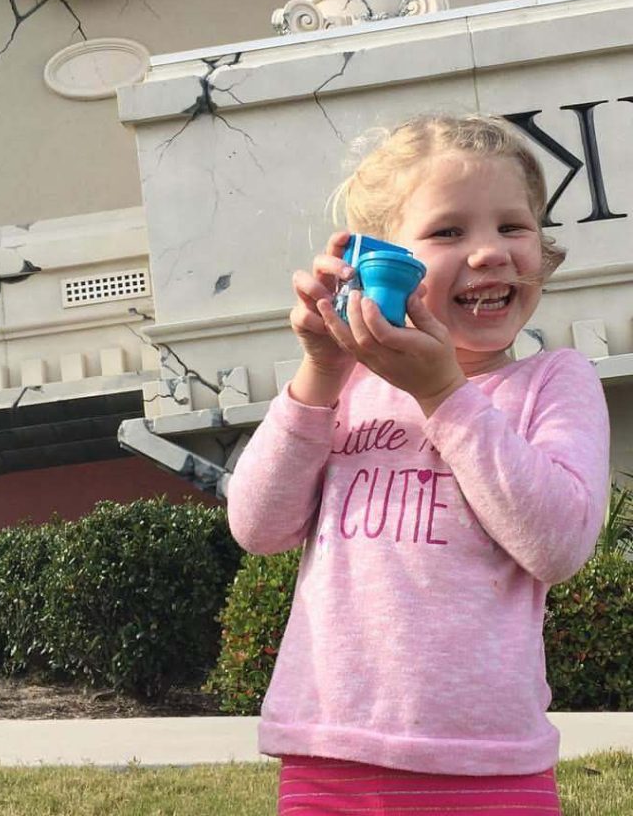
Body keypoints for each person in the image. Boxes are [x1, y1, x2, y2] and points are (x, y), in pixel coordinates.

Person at [226, 113, 611, 815]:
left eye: (513, 227)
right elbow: (259, 525)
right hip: (328, 758)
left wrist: (443, 392)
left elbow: (557, 545)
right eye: (448, 232)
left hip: (490, 770)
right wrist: (318, 371)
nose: (490, 252)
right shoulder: (344, 388)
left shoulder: (555, 382)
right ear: (376, 262)